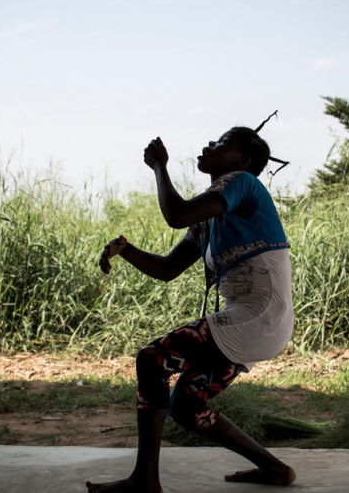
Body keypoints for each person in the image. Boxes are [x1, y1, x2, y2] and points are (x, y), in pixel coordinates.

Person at [86, 127, 296, 493]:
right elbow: (168, 270)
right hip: (258, 322)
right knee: (186, 407)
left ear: (241, 161)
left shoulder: (243, 182)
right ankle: (274, 469)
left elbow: (175, 214)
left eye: (220, 143)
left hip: (256, 318)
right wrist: (126, 250)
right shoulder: (209, 219)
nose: (207, 145)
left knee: (151, 360)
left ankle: (144, 481)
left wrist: (158, 168)